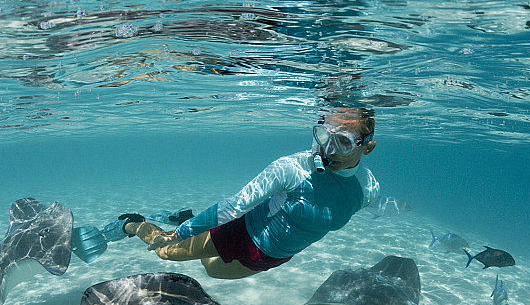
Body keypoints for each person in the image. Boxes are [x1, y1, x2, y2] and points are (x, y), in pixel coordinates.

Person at [119, 108, 380, 279]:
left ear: (367, 148)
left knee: (212, 270)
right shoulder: (292, 168)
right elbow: (234, 205)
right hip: (243, 232)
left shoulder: (367, 188)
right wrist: (179, 234)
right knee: (166, 251)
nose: (329, 150)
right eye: (324, 137)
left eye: (343, 142)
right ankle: (132, 224)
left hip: (275, 256)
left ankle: (192, 221)